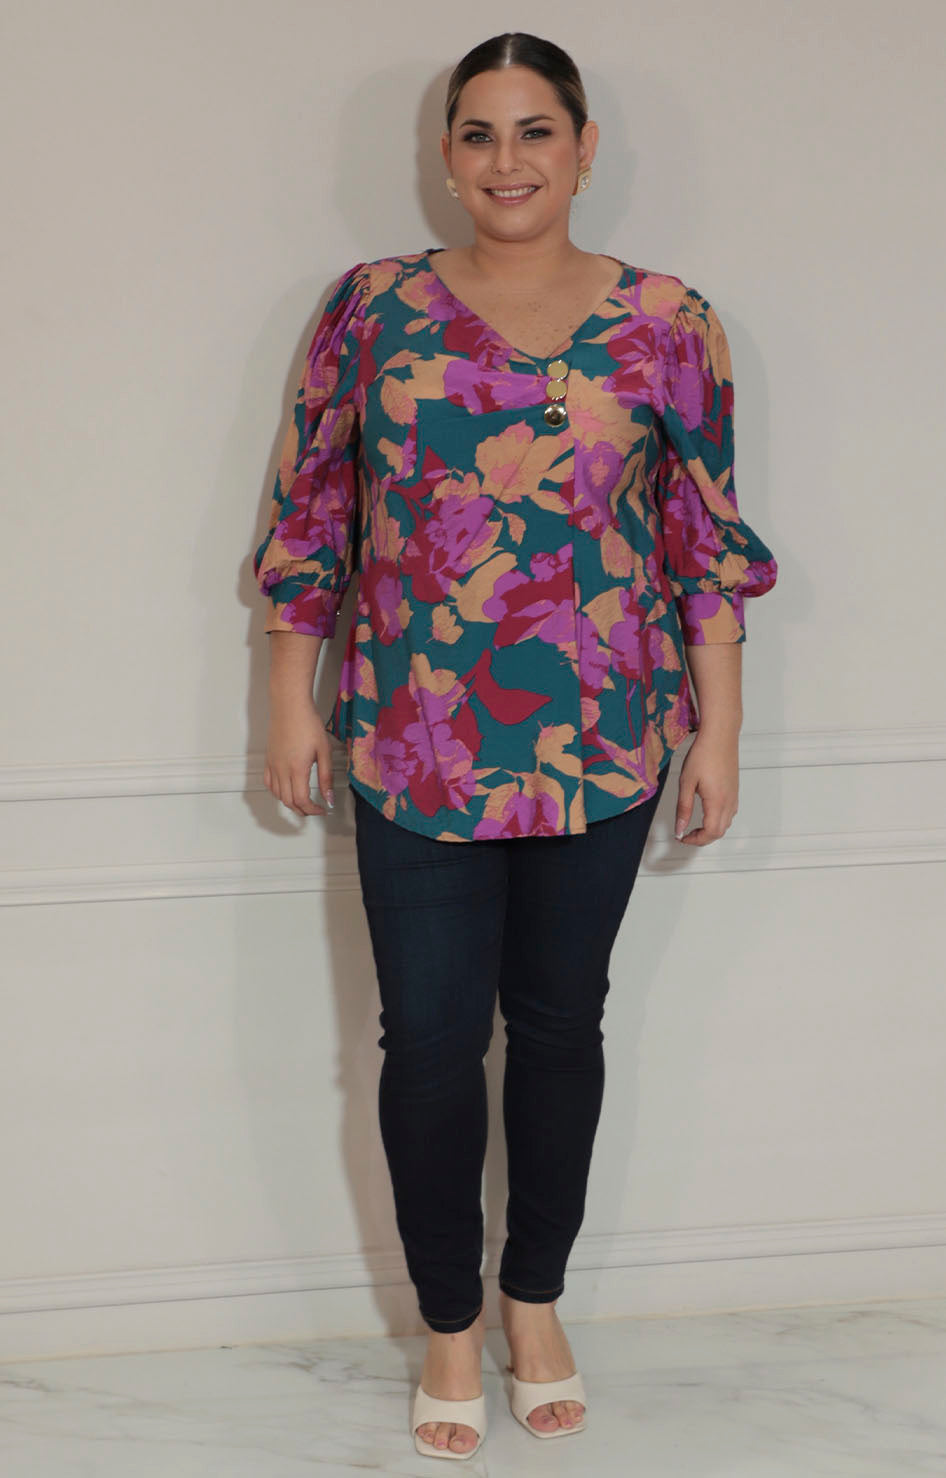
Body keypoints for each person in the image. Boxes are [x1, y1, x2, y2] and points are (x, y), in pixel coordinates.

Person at [253, 31, 777, 1462]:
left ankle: (531, 1301)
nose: (505, 161)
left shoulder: (669, 321)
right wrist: (289, 695)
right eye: (476, 133)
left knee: (557, 1031)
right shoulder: (372, 309)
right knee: (426, 1046)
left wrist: (720, 731)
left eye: (534, 131)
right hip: (411, 735)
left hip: (603, 739)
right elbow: (314, 509)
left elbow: (703, 539)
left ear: (583, 148)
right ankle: (445, 1321)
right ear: (445, 155)